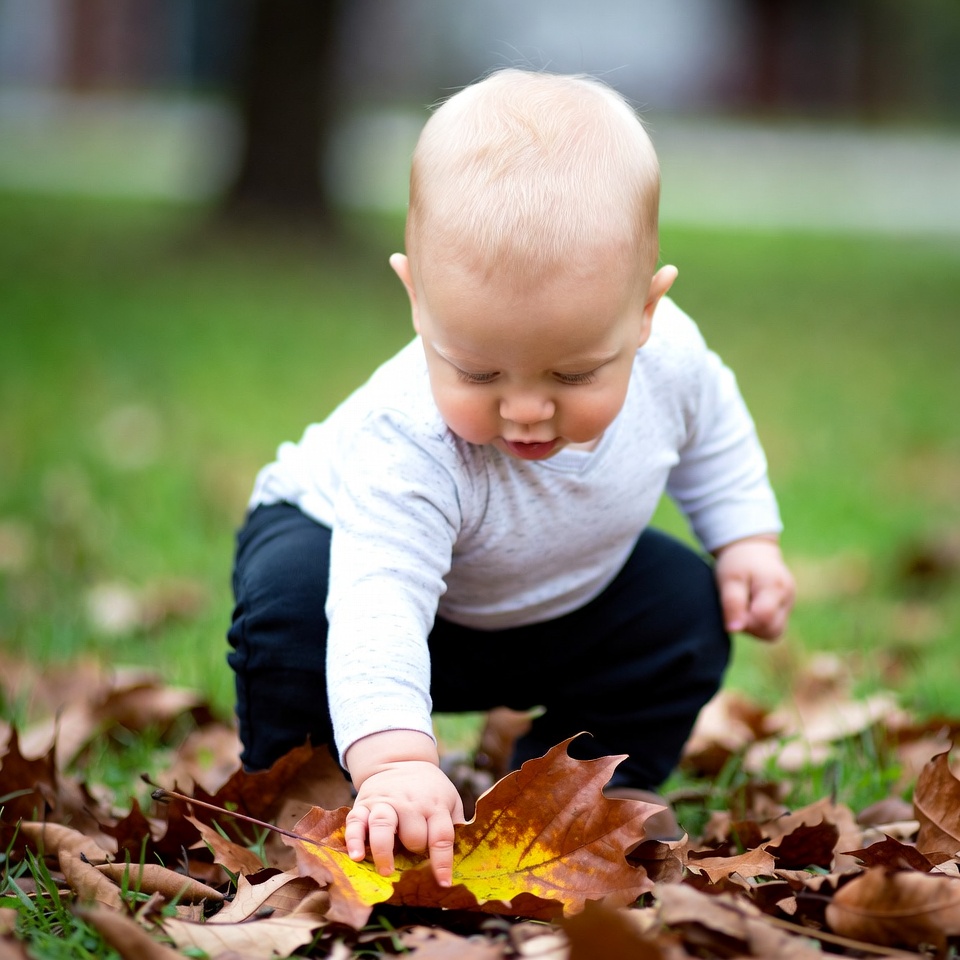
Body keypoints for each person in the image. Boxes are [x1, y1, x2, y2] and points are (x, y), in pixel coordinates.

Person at [227, 68, 795, 888]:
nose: (525, 410)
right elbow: (377, 599)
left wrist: (746, 536)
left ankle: (578, 790)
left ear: (645, 311)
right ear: (418, 300)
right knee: (291, 606)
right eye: (480, 371)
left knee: (684, 611)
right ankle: (314, 790)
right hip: (356, 576)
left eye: (572, 376)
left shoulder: (672, 353)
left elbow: (713, 431)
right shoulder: (409, 436)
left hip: (548, 597)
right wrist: (392, 757)